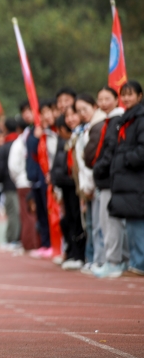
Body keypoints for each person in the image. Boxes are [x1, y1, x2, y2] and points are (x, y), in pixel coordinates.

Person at [105, 81, 144, 277]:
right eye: (124, 94)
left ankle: (139, 263)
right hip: (126, 180)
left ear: (140, 96)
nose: (127, 98)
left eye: (130, 94)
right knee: (131, 221)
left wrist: (125, 159)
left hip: (136, 179)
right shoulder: (126, 119)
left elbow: (141, 151)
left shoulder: (140, 119)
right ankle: (135, 262)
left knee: (137, 221)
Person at [92, 85, 128, 278]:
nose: (103, 103)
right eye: (100, 99)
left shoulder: (116, 121)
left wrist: (98, 168)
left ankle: (114, 262)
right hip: (106, 178)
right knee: (106, 223)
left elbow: (111, 150)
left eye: (107, 99)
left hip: (110, 179)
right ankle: (116, 260)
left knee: (110, 223)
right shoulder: (108, 121)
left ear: (116, 100)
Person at [73, 93, 107, 271]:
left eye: (84, 109)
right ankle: (93, 258)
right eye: (78, 111)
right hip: (87, 185)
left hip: (97, 183)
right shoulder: (84, 129)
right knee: (92, 225)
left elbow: (91, 159)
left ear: (94, 107)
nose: (82, 113)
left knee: (100, 225)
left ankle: (100, 260)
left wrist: (90, 185)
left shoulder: (100, 125)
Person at [51, 114, 86, 270]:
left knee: (78, 221)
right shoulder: (64, 142)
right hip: (64, 184)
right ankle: (72, 252)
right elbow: (58, 164)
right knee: (68, 221)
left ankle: (79, 255)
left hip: (75, 185)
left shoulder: (76, 138)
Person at [26, 99, 58, 260]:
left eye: (47, 112)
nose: (45, 116)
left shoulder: (57, 130)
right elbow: (31, 152)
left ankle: (55, 244)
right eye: (42, 113)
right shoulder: (36, 132)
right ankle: (46, 244)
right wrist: (36, 137)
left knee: (52, 212)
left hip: (53, 178)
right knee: (42, 213)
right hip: (38, 178)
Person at [9, 101, 39, 251]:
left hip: (27, 180)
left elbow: (14, 166)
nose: (27, 114)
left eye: (29, 111)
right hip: (27, 181)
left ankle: (32, 244)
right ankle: (32, 244)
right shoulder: (25, 137)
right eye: (24, 112)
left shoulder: (25, 138)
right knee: (29, 215)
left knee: (29, 216)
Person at [0, 117, 22, 252]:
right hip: (22, 182)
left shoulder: (4, 147)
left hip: (9, 183)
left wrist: (0, 181)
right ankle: (18, 238)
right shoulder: (20, 142)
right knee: (19, 211)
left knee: (13, 212)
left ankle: (13, 239)